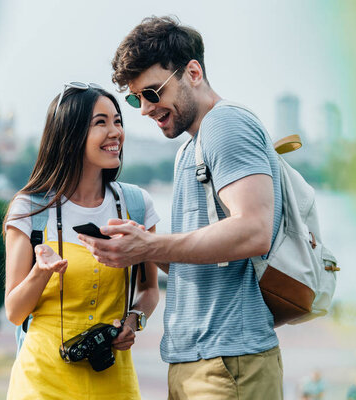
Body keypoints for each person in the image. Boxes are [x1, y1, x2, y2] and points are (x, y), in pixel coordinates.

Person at [78, 16, 284, 399]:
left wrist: (151, 247)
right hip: (197, 361)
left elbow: (255, 230)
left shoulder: (226, 125)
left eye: (152, 93)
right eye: (135, 98)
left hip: (229, 361)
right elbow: (202, 257)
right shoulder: (190, 148)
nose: (143, 109)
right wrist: (135, 247)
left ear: (193, 72)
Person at [3, 83, 160, 399]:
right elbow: (15, 312)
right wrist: (41, 272)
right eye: (100, 123)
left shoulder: (137, 205)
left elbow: (150, 289)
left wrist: (134, 320)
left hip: (114, 380)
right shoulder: (31, 208)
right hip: (41, 383)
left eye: (117, 121)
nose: (115, 131)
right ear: (70, 135)